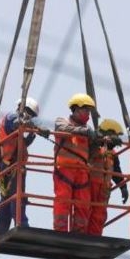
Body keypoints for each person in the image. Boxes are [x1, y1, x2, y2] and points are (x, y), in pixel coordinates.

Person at [0, 96, 40, 238]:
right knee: (17, 196)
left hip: (7, 165)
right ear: (22, 108)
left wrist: (31, 136)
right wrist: (33, 126)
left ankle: (0, 233)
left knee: (6, 200)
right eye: (29, 113)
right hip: (12, 166)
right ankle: (22, 224)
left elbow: (17, 144)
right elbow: (15, 123)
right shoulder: (12, 117)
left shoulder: (16, 126)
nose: (30, 117)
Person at [53, 93, 96, 233]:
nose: (88, 115)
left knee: (83, 203)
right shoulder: (62, 121)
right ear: (76, 109)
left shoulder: (88, 130)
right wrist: (82, 131)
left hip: (82, 172)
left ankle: (80, 232)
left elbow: (94, 149)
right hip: (65, 170)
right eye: (86, 110)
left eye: (89, 111)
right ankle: (60, 230)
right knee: (63, 199)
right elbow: (62, 129)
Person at [87, 118, 130, 236]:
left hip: (104, 191)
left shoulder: (112, 154)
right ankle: (81, 236)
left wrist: (123, 187)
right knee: (85, 212)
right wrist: (103, 140)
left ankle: (94, 238)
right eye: (115, 135)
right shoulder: (94, 145)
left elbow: (117, 172)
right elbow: (92, 142)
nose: (116, 139)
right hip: (89, 187)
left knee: (99, 216)